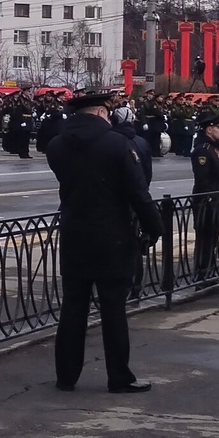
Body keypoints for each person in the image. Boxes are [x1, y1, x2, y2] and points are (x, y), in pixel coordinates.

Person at [43, 89, 163, 393]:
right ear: (99, 113)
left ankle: (66, 376)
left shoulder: (57, 146)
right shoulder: (117, 144)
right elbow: (138, 193)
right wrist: (155, 227)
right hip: (113, 237)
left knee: (73, 308)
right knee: (113, 311)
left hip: (74, 234)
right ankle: (119, 377)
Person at [188, 113, 219, 281]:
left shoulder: (214, 147)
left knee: (212, 239)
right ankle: (202, 274)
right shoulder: (203, 150)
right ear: (209, 129)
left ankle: (209, 271)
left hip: (218, 199)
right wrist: (207, 199)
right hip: (207, 201)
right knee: (205, 240)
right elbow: (202, 180)